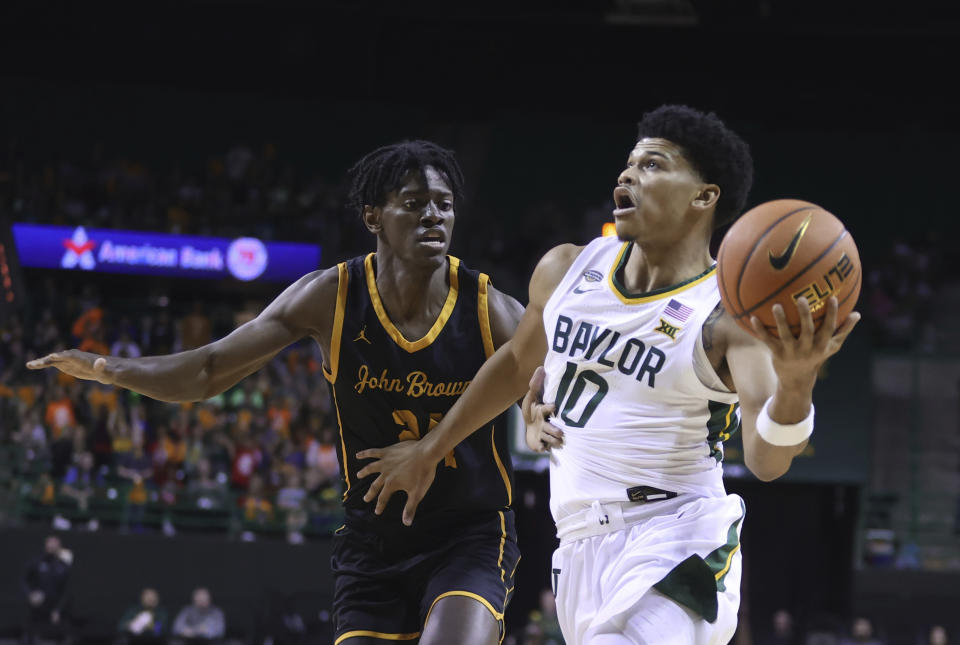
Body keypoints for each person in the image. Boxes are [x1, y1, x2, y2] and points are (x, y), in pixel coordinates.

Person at [354, 106, 861, 645]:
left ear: (704, 196)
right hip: (576, 548)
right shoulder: (567, 267)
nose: (627, 174)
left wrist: (798, 385)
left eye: (653, 165)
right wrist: (432, 448)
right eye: (628, 163)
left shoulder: (729, 316)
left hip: (679, 540)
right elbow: (514, 365)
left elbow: (767, 460)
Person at [28, 140, 525, 645]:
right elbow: (209, 370)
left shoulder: (491, 308)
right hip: (374, 541)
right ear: (373, 217)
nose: (434, 216)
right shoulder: (331, 296)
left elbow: (541, 375)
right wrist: (111, 369)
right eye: (415, 203)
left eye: (444, 204)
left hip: (468, 532)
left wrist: (538, 406)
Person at [21, 535, 72, 645]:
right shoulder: (36, 562)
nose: (51, 548)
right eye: (50, 545)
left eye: (55, 546)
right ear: (45, 546)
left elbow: (66, 591)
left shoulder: (64, 567)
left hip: (55, 609)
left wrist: (58, 610)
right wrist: (30, 594)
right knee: (28, 636)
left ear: (59, 547)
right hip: (37, 608)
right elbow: (24, 581)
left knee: (64, 636)